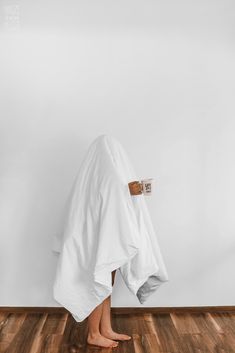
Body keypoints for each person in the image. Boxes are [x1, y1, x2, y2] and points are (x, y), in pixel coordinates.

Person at [87, 181, 143, 348]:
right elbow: (105, 193)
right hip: (100, 228)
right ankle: (93, 334)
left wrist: (129, 192)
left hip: (110, 227)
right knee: (101, 279)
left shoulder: (114, 162)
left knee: (109, 280)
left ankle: (106, 329)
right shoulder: (101, 163)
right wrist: (127, 191)